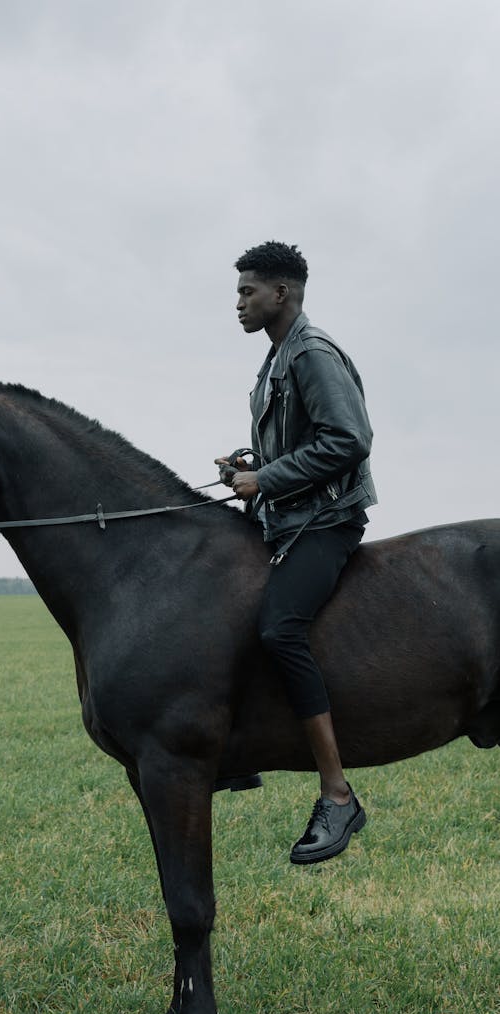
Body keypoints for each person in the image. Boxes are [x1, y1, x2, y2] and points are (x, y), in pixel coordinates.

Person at [216, 240, 377, 864]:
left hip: (327, 523)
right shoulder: (275, 360)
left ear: (279, 293)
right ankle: (239, 757)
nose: (238, 303)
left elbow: (350, 439)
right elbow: (301, 446)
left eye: (246, 291)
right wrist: (250, 467)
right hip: (291, 520)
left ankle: (338, 795)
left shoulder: (310, 354)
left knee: (280, 628)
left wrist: (268, 480)